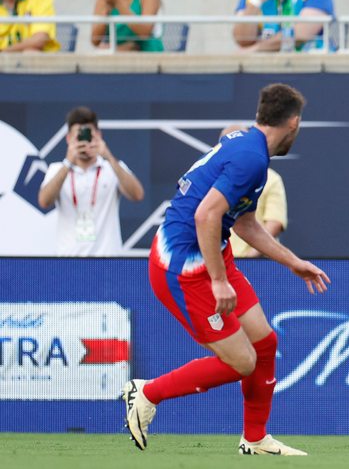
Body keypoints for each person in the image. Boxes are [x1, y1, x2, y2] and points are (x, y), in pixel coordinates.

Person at [122, 84, 329, 456]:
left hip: (212, 252)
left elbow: (244, 223)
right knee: (242, 361)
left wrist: (292, 261)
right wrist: (218, 281)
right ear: (294, 123)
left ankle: (255, 439)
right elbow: (206, 215)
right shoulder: (252, 158)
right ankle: (147, 393)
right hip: (182, 267)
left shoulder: (250, 149)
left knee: (265, 343)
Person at [38, 107, 145, 257]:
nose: (84, 141)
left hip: (107, 259)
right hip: (68, 260)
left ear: (98, 135)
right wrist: (68, 162)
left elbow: (137, 195)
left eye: (88, 135)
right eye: (78, 136)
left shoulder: (112, 167)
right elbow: (44, 201)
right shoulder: (57, 169)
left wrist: (108, 156)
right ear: (68, 139)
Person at [218, 124, 289, 258]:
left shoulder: (270, 178)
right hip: (220, 261)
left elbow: (274, 222)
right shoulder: (213, 178)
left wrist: (250, 258)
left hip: (256, 262)